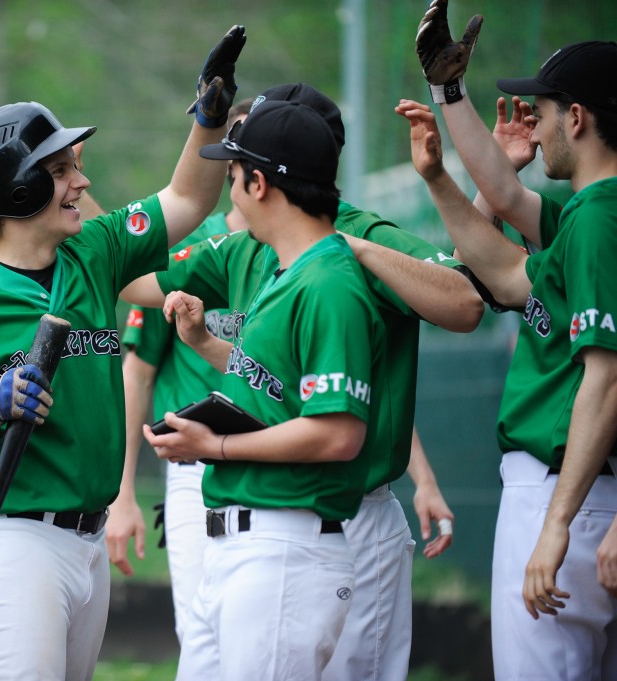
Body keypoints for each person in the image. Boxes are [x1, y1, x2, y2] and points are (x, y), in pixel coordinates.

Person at [0, 25, 245, 681]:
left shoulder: (94, 252)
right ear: (18, 190)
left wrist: (208, 118)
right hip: (11, 542)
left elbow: (187, 198)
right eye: (62, 169)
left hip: (86, 540)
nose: (82, 179)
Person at [121, 83, 482, 681]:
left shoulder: (342, 259)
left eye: (238, 166)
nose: (231, 183)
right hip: (260, 510)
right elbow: (137, 283)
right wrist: (207, 345)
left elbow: (467, 306)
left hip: (341, 510)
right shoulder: (254, 249)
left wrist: (356, 249)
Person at [139, 98, 392, 680]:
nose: (227, 192)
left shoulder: (329, 283)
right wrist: (205, 344)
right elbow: (282, 395)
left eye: (231, 176)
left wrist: (214, 446)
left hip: (285, 546)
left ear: (259, 182)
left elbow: (337, 434)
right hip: (250, 540)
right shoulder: (288, 270)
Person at [412, 7, 617, 676]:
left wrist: (557, 523)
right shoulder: (588, 214)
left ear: (577, 118)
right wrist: (448, 105)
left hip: (567, 494)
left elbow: (607, 379)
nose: (538, 119)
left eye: (546, 106)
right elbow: (502, 247)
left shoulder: (597, 225)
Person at [106, 96, 253, 643]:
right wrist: (122, 495)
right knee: (204, 639)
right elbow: (137, 373)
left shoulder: (308, 252)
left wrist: (422, 477)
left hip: (282, 468)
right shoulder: (193, 245)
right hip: (195, 471)